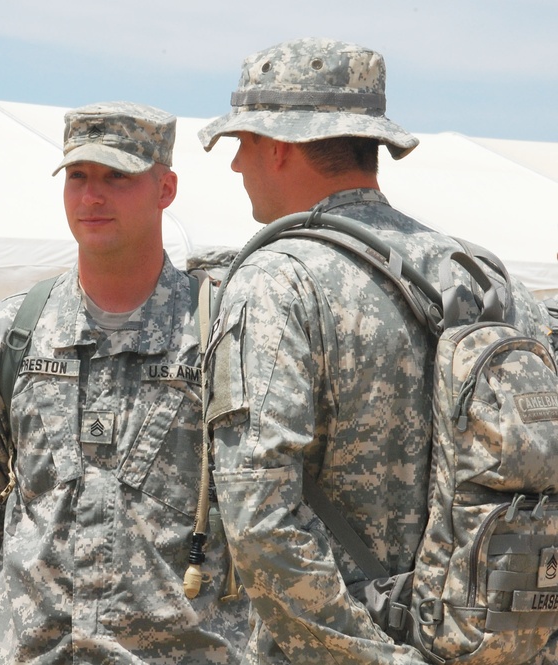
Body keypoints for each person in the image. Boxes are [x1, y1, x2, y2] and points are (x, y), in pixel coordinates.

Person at [198, 37, 554, 663]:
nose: (235, 167)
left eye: (242, 144)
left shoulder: (278, 280)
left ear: (279, 146)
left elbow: (260, 522)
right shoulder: (489, 281)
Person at [0, 101, 248, 664]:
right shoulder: (15, 332)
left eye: (117, 177)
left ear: (166, 189)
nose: (92, 197)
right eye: (78, 177)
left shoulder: (219, 333)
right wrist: (30, 591)